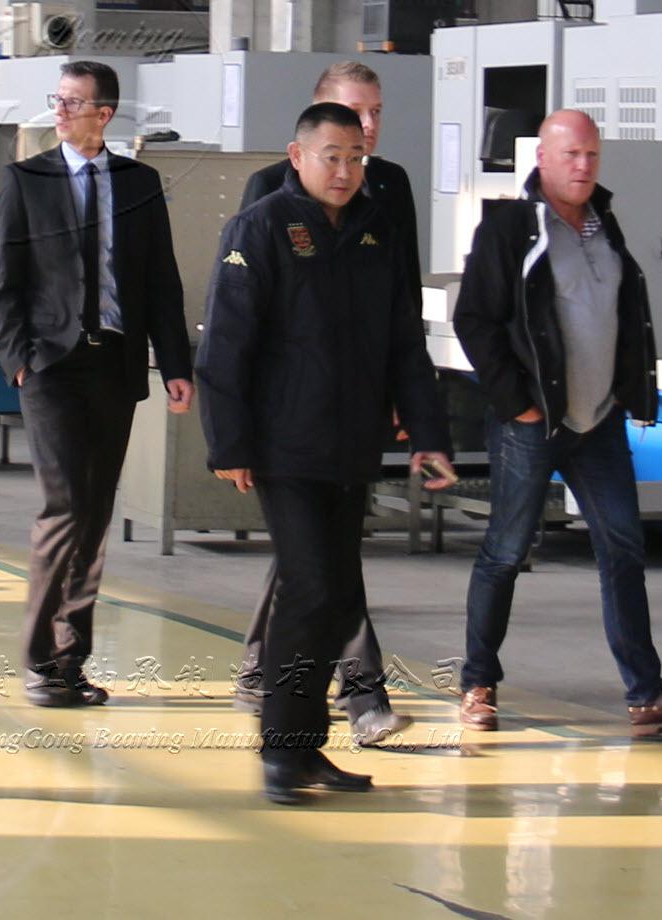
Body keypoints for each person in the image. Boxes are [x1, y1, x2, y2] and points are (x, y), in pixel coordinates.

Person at [197, 102, 455, 805]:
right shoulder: (260, 227)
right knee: (309, 588)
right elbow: (225, 342)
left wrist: (429, 434)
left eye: (355, 158)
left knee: (335, 595)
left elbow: (403, 344)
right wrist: (228, 442)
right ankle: (282, 752)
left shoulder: (376, 230)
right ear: (297, 156)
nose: (344, 171)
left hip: (351, 441)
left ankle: (306, 746)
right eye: (331, 156)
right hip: (283, 443)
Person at [452, 109, 662, 736]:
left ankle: (646, 696)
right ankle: (477, 684)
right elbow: (474, 320)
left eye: (592, 155)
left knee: (623, 548)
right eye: (571, 154)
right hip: (531, 424)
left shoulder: (605, 224)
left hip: (597, 423)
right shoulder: (511, 228)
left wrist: (628, 392)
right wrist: (515, 401)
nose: (583, 166)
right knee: (505, 552)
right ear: (542, 159)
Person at [0, 60, 194, 706]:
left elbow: (160, 280)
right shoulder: (26, 180)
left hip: (115, 363)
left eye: (73, 101)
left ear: (104, 114)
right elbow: (6, 285)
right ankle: (38, 660)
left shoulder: (138, 183)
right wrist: (18, 360)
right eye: (57, 99)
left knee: (96, 512)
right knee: (64, 506)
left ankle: (70, 657)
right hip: (50, 366)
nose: (59, 110)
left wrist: (176, 365)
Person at [232, 61, 421, 744]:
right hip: (292, 414)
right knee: (325, 569)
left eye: (375, 114)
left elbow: (402, 294)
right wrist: (236, 431)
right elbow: (239, 324)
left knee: (311, 564)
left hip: (356, 403)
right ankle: (359, 696)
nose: (365, 128)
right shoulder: (267, 196)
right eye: (352, 113)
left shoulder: (390, 187)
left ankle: (263, 673)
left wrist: (403, 392)